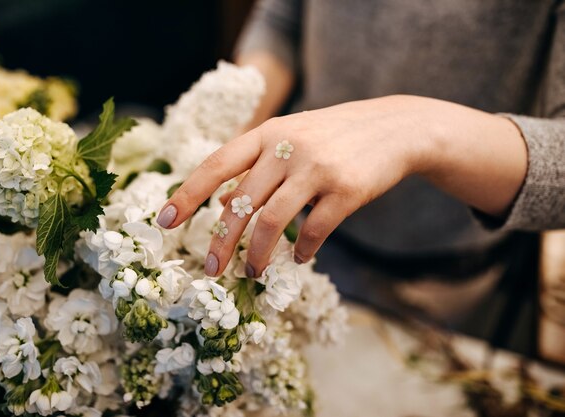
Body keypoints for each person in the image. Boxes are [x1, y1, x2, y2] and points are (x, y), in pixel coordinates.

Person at [157, 0, 565, 352]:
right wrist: (235, 129)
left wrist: (414, 127)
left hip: (455, 284)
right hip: (292, 241)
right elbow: (282, 21)